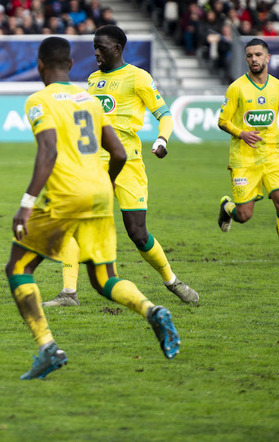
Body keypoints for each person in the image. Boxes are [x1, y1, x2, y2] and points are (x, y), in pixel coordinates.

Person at [5, 37, 180, 380]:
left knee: (19, 268)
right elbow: (118, 153)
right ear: (70, 66)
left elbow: (48, 151)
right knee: (103, 279)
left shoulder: (38, 100)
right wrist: (102, 184)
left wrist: (26, 204)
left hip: (65, 195)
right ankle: (151, 309)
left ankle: (47, 348)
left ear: (40, 66)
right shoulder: (89, 98)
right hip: (100, 191)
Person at [43, 25, 199, 307]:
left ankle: (172, 281)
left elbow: (164, 114)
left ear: (116, 48)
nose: (95, 52)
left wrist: (162, 139)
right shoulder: (92, 80)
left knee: (138, 233)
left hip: (128, 164)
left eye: (100, 47)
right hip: (92, 165)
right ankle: (69, 293)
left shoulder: (138, 78)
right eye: (94, 47)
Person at [217, 38, 279, 267]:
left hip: (272, 154)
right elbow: (222, 121)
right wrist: (241, 133)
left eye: (257, 55)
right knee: (244, 216)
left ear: (267, 57)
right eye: (249, 56)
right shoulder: (236, 87)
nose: (253, 59)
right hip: (244, 158)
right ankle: (227, 207)